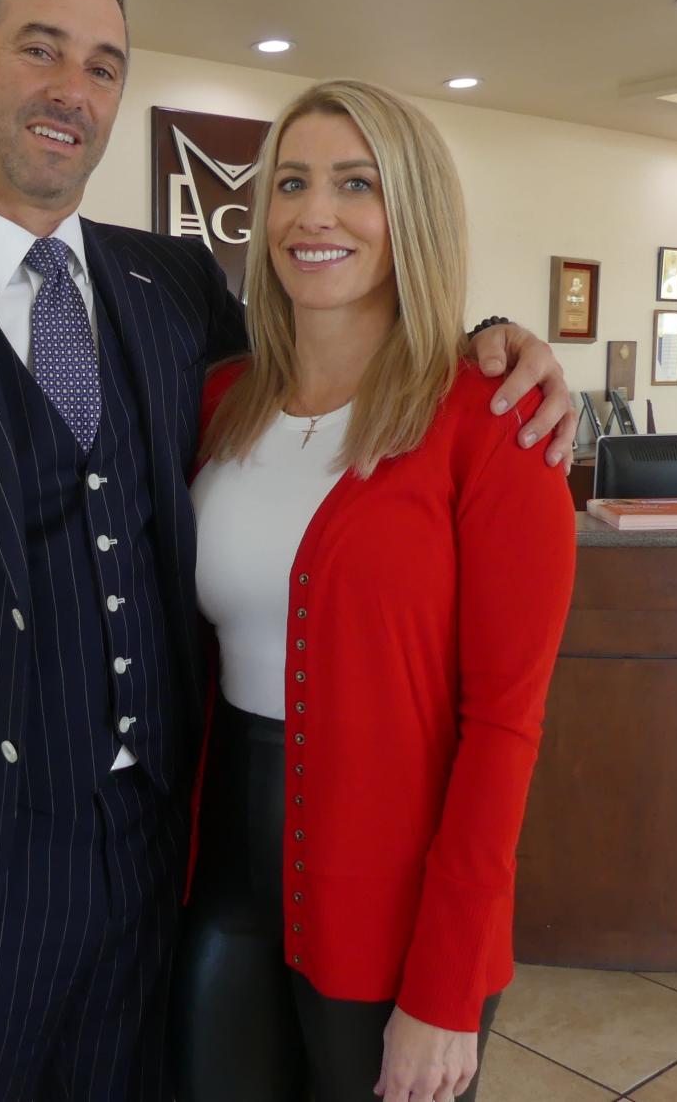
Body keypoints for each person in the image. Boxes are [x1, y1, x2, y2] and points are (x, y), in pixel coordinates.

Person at [0, 0, 575, 1102]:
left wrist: (500, 341)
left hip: (162, 870)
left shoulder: (173, 292)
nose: (76, 88)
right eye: (41, 49)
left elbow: (337, 370)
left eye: (106, 65)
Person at [173, 80, 577, 1102]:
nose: (316, 213)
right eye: (291, 183)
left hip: (394, 904)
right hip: (219, 882)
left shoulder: (495, 423)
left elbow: (504, 727)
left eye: (358, 185)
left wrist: (447, 985)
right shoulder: (218, 403)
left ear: (414, 214)